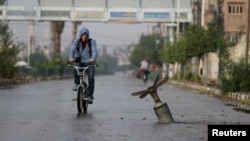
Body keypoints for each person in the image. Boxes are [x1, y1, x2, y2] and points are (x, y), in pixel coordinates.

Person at [68, 26, 98, 101]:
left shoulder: (92, 42)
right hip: (80, 61)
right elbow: (72, 50)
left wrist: (93, 58)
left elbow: (94, 51)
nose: (84, 36)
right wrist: (71, 58)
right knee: (76, 68)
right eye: (83, 35)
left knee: (91, 77)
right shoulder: (76, 42)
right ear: (80, 35)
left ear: (88, 35)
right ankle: (76, 84)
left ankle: (90, 95)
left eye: (85, 35)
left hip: (89, 62)